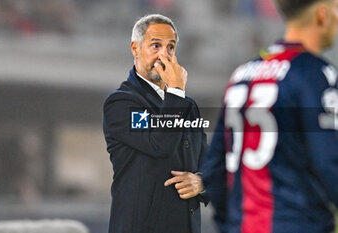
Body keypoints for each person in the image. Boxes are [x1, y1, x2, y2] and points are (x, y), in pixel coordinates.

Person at [202, 0, 338, 233]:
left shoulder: (241, 75)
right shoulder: (315, 74)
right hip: (297, 224)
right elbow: (329, 163)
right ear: (322, 15)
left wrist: (230, 223)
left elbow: (214, 170)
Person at [103, 14, 207, 233]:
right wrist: (177, 92)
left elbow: (207, 162)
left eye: (170, 47)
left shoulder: (187, 106)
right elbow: (160, 143)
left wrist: (201, 182)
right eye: (156, 45)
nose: (164, 55)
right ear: (135, 48)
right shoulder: (121, 102)